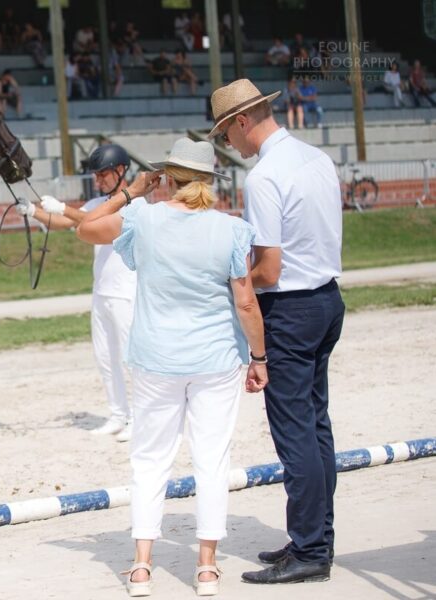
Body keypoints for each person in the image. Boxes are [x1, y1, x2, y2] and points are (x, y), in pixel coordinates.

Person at [77, 138, 268, 597]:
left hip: (156, 359)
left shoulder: (144, 217)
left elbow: (86, 227)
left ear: (167, 178)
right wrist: (259, 357)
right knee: (211, 458)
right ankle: (206, 566)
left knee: (149, 459)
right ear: (208, 181)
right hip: (216, 357)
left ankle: (141, 565)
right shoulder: (229, 229)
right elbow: (245, 302)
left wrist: (132, 191)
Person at [209, 78, 343, 585]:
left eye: (227, 136)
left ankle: (311, 549)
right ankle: (316, 536)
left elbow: (267, 270)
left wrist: (228, 283)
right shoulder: (316, 158)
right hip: (327, 298)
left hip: (290, 309)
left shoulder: (264, 178)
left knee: (295, 435)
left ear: (242, 122)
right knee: (316, 426)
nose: (230, 147)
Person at [16, 144, 141, 443]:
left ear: (121, 171)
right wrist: (34, 211)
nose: (98, 180)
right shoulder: (99, 201)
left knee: (130, 359)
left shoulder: (135, 205)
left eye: (103, 174)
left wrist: (63, 207)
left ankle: (140, 416)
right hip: (102, 291)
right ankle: (117, 413)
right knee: (105, 357)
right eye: (96, 175)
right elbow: (67, 221)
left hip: (127, 292)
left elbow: (88, 222)